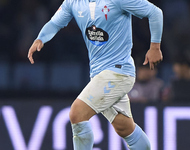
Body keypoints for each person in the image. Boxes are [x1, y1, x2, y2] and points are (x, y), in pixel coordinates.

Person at [28, 0, 163, 149]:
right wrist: (40, 38)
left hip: (119, 72)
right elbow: (55, 23)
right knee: (124, 127)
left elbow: (155, 12)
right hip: (99, 74)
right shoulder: (73, 2)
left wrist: (155, 47)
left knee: (77, 113)